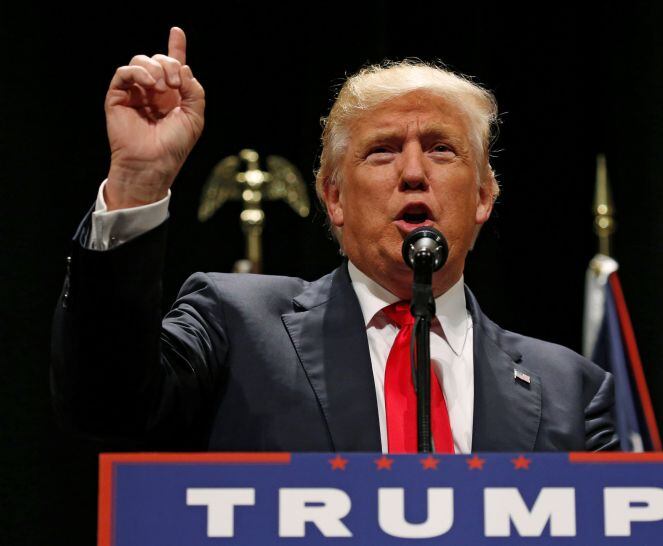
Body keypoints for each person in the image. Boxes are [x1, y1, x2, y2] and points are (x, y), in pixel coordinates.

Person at [51, 27, 618, 453]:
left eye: (442, 148)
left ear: (484, 196)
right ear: (334, 198)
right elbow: (104, 408)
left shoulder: (571, 389)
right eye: (382, 150)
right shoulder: (234, 323)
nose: (414, 171)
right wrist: (137, 183)